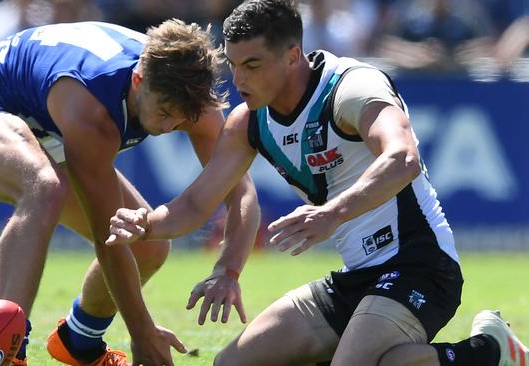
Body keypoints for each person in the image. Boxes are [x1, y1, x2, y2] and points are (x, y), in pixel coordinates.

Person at [107, 1, 529, 365]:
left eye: (252, 66)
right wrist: (147, 224)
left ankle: (488, 352)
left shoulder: (351, 88)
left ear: (293, 56)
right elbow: (198, 203)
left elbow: (403, 158)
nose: (239, 81)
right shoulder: (249, 121)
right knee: (233, 361)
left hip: (420, 266)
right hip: (356, 276)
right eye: (234, 66)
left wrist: (332, 214)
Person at [0, 19, 260, 366]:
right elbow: (108, 235)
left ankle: (79, 341)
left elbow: (240, 192)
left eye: (179, 120)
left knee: (148, 245)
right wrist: (141, 331)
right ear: (138, 80)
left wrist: (228, 270)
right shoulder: (92, 110)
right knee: (43, 187)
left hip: (44, 121)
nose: (167, 127)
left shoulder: (190, 98)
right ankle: (10, 353)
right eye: (162, 113)